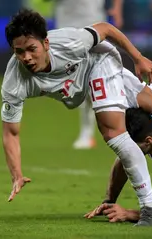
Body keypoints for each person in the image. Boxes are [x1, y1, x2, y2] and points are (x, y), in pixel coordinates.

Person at [1, 9, 152, 226]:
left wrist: (138, 58)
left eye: (32, 49)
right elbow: (11, 132)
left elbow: (105, 29)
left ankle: (148, 208)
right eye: (19, 52)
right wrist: (17, 174)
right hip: (83, 81)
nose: (27, 58)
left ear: (46, 43)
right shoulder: (14, 81)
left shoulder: (70, 42)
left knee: (112, 131)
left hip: (99, 60)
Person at [52, 0, 124, 149]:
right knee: (77, 79)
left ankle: (89, 132)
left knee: (96, 76)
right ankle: (91, 131)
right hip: (66, 24)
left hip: (92, 22)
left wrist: (117, 8)